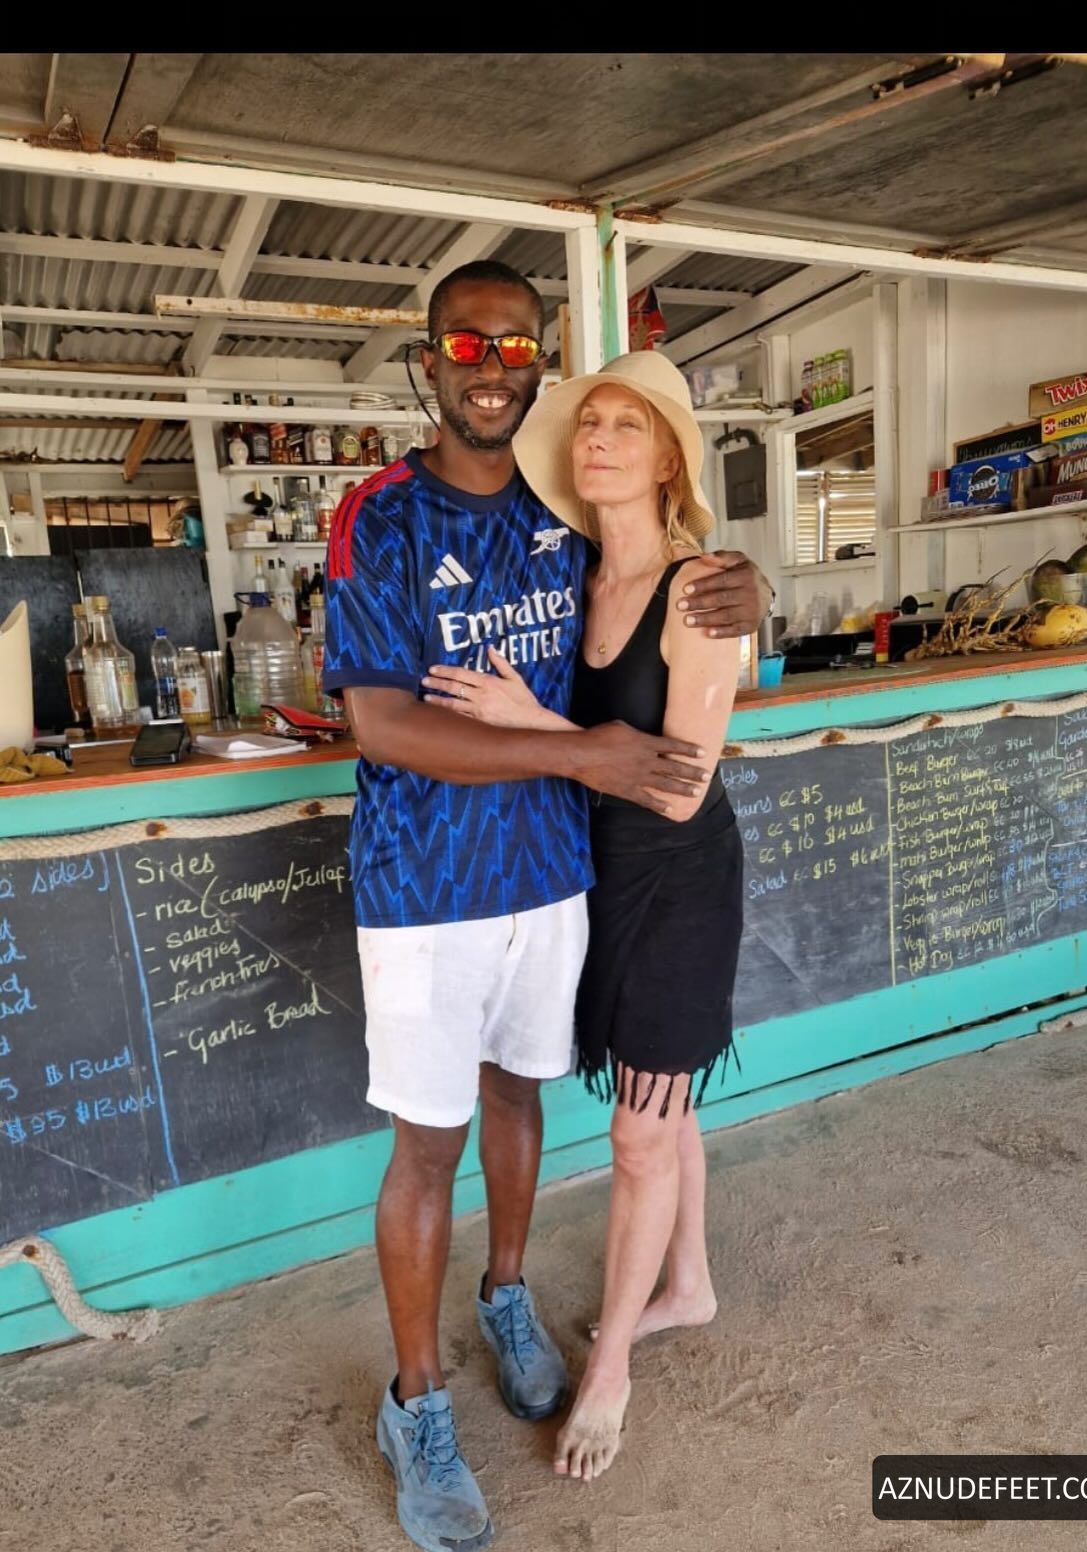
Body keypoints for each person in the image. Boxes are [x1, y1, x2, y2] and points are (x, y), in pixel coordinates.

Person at [323, 260, 771, 1552]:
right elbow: (381, 722)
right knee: (428, 1145)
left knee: (520, 1101)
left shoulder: (560, 511)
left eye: (515, 348)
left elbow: (668, 577)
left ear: (536, 365)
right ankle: (416, 1403)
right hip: (425, 888)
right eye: (465, 346)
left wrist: (750, 588)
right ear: (427, 364)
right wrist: (589, 757)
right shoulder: (377, 517)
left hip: (554, 879)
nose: (490, 368)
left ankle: (507, 1296)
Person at [423, 350, 746, 1486]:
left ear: (665, 462)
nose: (599, 436)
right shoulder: (572, 581)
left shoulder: (704, 589)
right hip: (593, 876)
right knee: (661, 1100)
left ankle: (609, 1372)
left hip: (678, 881)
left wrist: (530, 724)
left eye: (628, 424)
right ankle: (687, 1284)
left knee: (638, 1131)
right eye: (589, 421)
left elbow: (679, 786)